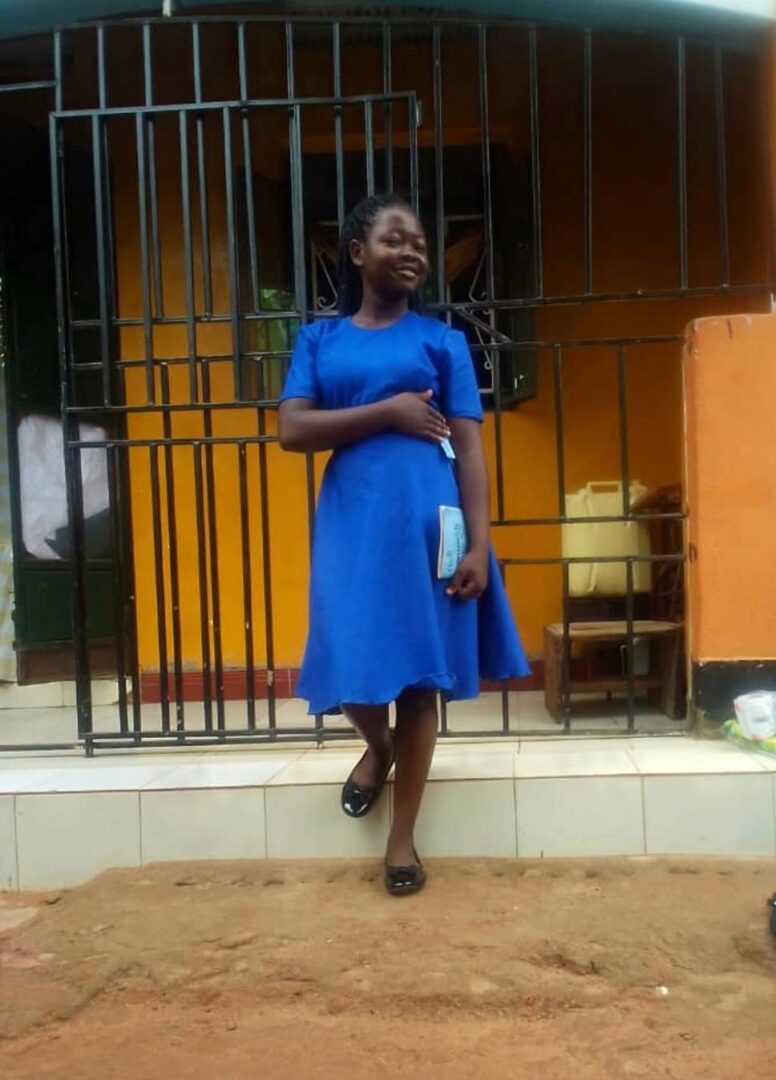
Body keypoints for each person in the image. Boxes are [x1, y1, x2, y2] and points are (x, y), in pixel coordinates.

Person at [278, 193, 529, 896]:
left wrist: (480, 545)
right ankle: (377, 747)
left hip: (429, 526)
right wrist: (388, 411)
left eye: (420, 241)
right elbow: (293, 430)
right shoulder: (320, 342)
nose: (413, 250)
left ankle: (402, 838)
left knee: (421, 680)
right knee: (349, 660)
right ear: (358, 252)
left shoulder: (444, 341)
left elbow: (470, 450)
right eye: (395, 238)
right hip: (352, 529)